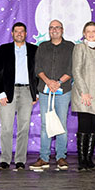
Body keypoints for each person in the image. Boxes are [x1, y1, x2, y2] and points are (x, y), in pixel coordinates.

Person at [30, 19, 74, 170]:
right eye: (51, 28)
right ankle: (44, 157)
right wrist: (49, 82)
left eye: (57, 27)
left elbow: (72, 68)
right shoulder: (42, 46)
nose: (54, 30)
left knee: (61, 123)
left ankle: (61, 156)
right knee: (45, 124)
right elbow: (38, 67)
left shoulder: (70, 47)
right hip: (45, 90)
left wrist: (58, 83)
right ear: (49, 31)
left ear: (62, 30)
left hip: (64, 91)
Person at [0, 22, 38, 170]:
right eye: (16, 31)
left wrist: (35, 93)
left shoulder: (34, 49)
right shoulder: (4, 49)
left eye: (22, 31)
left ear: (26, 33)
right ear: (12, 34)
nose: (19, 34)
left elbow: (36, 73)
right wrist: (0, 93)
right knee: (6, 128)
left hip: (27, 92)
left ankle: (20, 160)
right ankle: (5, 160)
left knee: (24, 128)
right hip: (8, 92)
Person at [71, 21, 95, 171]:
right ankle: (82, 161)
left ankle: (89, 159)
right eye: (88, 31)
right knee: (84, 124)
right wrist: (84, 92)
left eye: (94, 31)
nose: (91, 33)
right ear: (84, 33)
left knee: (94, 124)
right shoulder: (80, 47)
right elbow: (77, 70)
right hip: (86, 91)